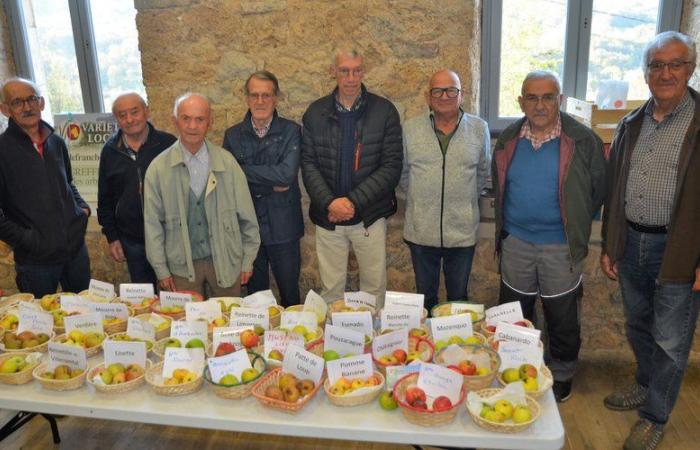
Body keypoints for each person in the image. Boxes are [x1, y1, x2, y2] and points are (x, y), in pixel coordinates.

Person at [600, 31, 700, 450]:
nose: (665, 73)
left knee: (671, 339)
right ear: (645, 73)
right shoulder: (632, 122)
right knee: (639, 324)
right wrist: (610, 243)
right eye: (656, 65)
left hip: (680, 249)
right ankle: (646, 383)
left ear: (690, 69)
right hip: (633, 243)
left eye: (674, 64)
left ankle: (655, 415)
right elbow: (615, 186)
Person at [492, 71, 606, 403]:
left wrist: (575, 221)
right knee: (515, 312)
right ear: (521, 102)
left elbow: (598, 189)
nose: (540, 105)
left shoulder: (584, 140)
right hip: (516, 242)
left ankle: (563, 373)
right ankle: (520, 366)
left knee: (562, 314)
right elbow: (500, 183)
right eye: (532, 97)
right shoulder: (509, 138)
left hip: (560, 245)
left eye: (547, 97)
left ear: (559, 99)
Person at [301, 48, 402, 307]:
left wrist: (352, 203)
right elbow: (309, 165)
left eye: (357, 70)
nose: (351, 78)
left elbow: (391, 168)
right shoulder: (315, 113)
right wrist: (330, 204)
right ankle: (333, 342)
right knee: (331, 290)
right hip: (328, 218)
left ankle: (375, 344)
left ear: (363, 71)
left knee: (374, 289)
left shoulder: (384, 111)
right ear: (333, 72)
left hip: (369, 217)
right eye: (344, 71)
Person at [144, 93, 260, 297]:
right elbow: (152, 225)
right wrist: (161, 269)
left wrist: (247, 260)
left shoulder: (228, 163)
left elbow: (248, 218)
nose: (192, 126)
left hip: (226, 260)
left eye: (200, 119)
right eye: (186, 118)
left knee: (228, 323)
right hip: (180, 266)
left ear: (210, 122)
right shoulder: (158, 169)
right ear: (175, 121)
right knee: (187, 326)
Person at [400, 69, 490, 312]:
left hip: (461, 232)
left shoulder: (480, 129)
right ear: (429, 97)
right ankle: (426, 348)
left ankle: (454, 348)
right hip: (421, 231)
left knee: (458, 299)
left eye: (451, 90)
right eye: (437, 90)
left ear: (461, 95)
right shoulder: (410, 129)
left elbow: (482, 173)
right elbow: (403, 175)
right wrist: (423, 201)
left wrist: (461, 200)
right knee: (425, 298)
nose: (444, 96)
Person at [0, 78, 91, 297]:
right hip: (35, 262)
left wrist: (82, 210)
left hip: (75, 252)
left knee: (85, 317)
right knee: (42, 323)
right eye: (17, 102)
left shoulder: (56, 143)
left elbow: (68, 183)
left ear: (41, 103)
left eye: (31, 99)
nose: (27, 107)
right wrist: (27, 240)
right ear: (5, 110)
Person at [223, 71, 303, 306]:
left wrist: (244, 172)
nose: (260, 101)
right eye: (255, 95)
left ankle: (294, 341)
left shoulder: (291, 131)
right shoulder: (233, 135)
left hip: (284, 227)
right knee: (256, 301)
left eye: (266, 95)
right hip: (248, 229)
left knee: (290, 296)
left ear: (276, 98)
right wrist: (270, 185)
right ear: (247, 98)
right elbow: (229, 179)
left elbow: (286, 175)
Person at [97, 92, 176, 287]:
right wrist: (112, 237)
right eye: (122, 115)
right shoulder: (110, 151)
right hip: (133, 241)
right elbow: (105, 199)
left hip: (170, 238)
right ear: (116, 119)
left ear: (147, 111)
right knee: (145, 302)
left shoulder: (169, 144)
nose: (130, 119)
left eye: (134, 112)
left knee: (175, 298)